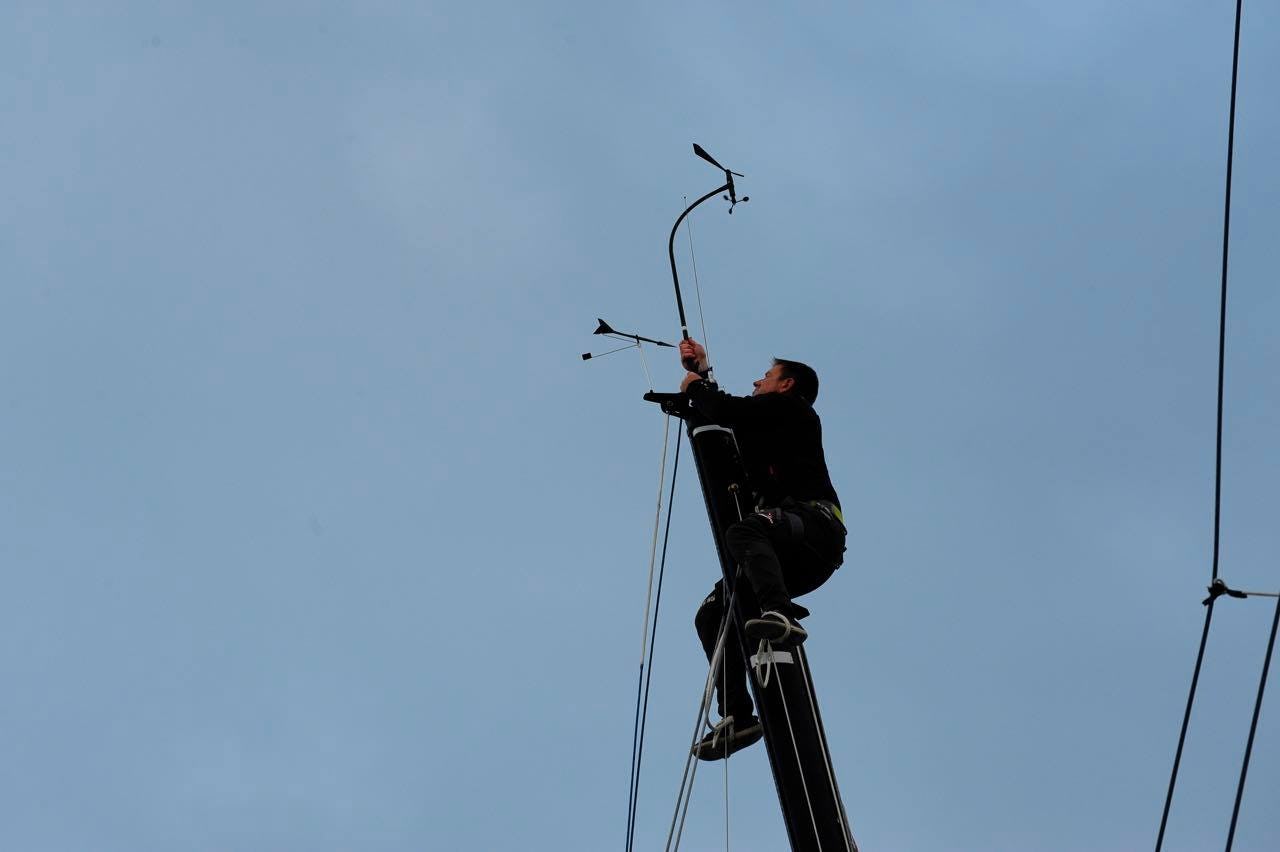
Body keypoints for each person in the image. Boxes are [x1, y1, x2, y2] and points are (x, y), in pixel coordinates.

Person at [678, 338, 847, 761]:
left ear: (787, 385)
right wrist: (701, 374)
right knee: (713, 613)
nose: (757, 382)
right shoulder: (766, 430)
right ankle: (738, 715)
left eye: (766, 377)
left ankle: (780, 615)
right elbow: (725, 422)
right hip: (785, 549)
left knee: (743, 533)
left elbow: (727, 410)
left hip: (813, 528)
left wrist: (695, 387)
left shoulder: (793, 410)